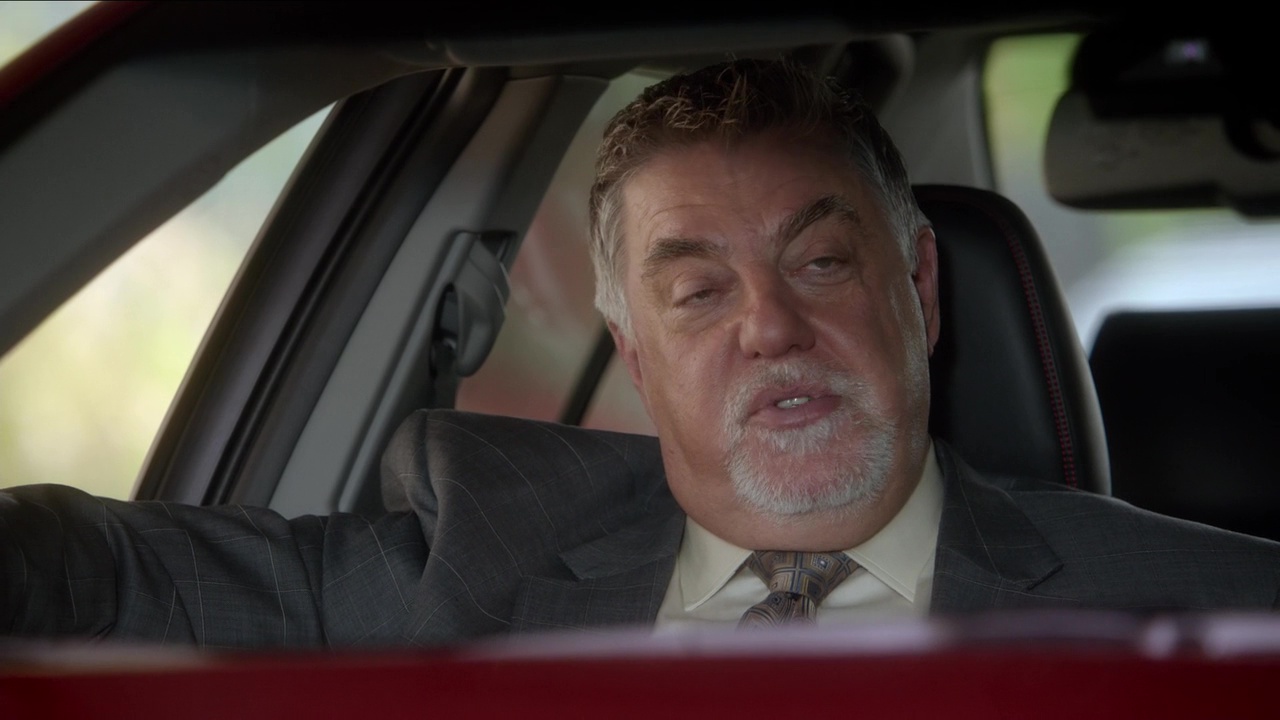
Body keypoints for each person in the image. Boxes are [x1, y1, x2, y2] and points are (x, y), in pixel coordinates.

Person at [2, 59, 1277, 647]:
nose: (768, 328)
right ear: (631, 350)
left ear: (920, 290)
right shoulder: (471, 554)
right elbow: (111, 577)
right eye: (696, 291)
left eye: (820, 264)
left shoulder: (1221, 609)